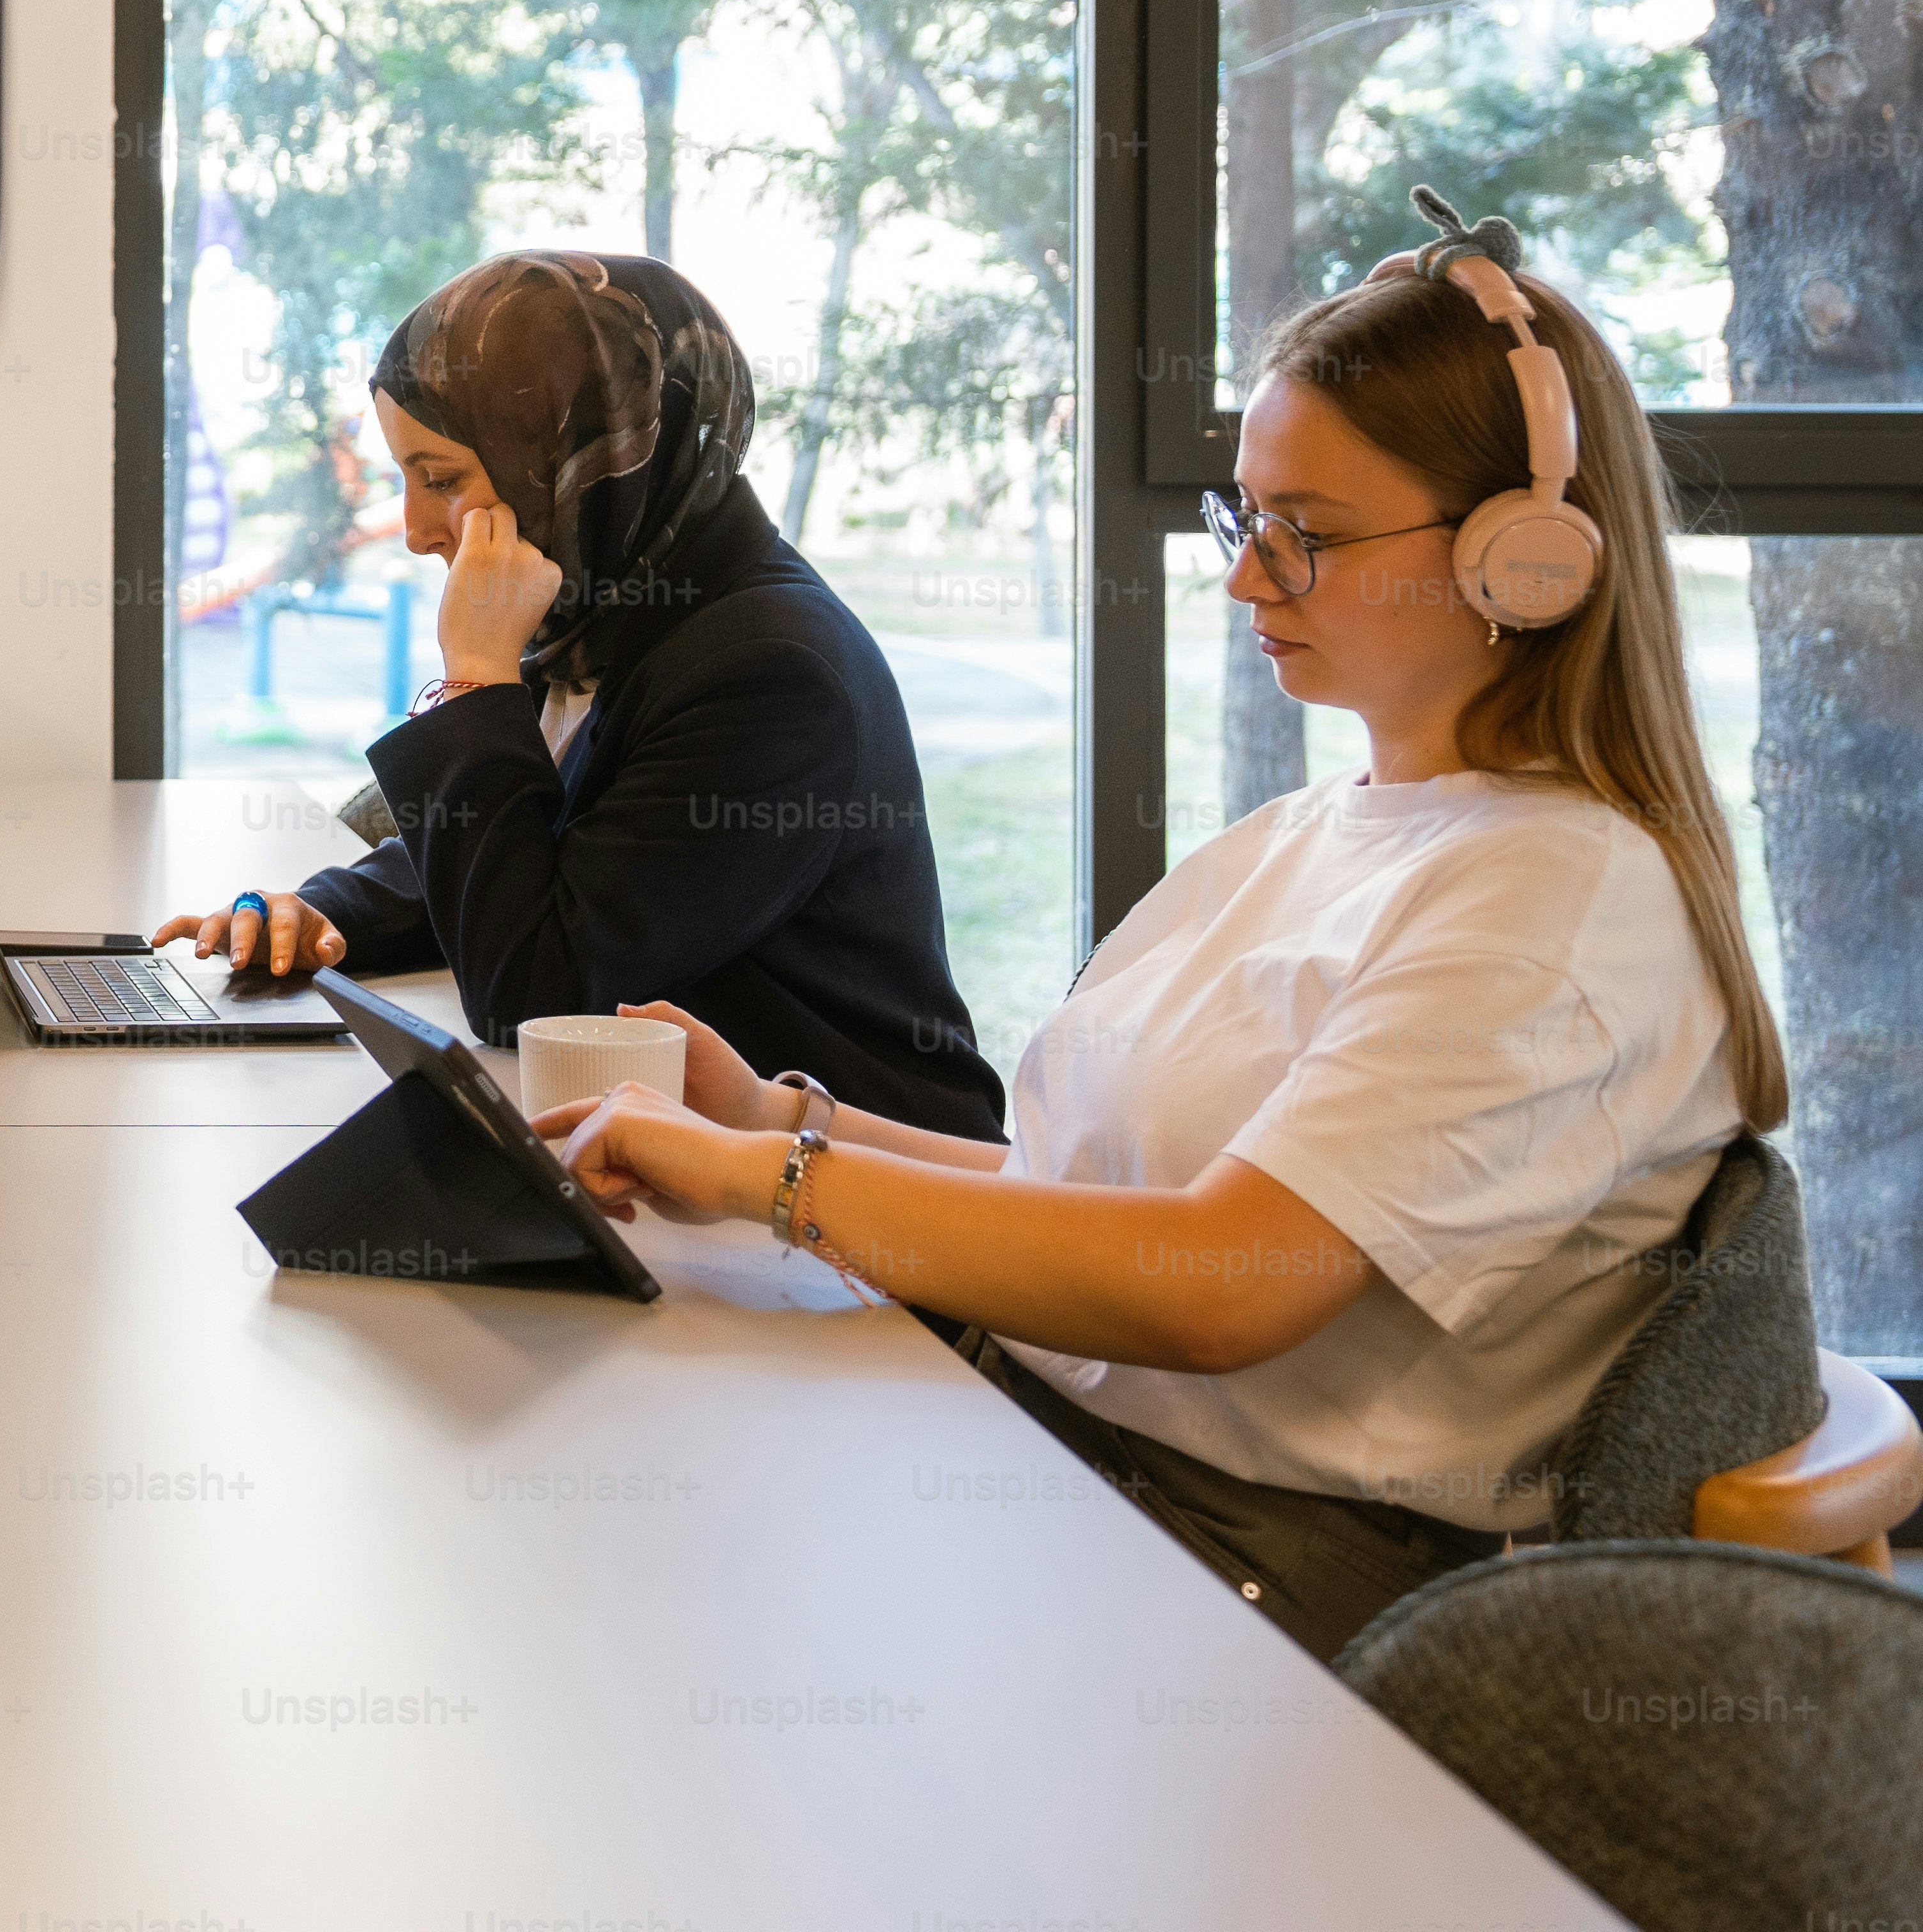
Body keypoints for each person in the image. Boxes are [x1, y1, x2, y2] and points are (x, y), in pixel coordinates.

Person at [530, 196, 1785, 1658]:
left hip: (1245, 1574)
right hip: (1081, 1459)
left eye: (1305, 535)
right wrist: (792, 1113)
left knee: (639, 1579)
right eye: (1246, 519)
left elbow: (1213, 1283)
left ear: (1525, 557)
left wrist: (770, 1177)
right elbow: (1083, 1189)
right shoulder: (1327, 830)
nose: (1247, 575)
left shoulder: (1558, 903)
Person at [167, 250, 1008, 1140]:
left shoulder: (770, 673)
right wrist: (324, 909)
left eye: (443, 480)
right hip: (693, 1168)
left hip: (859, 1214)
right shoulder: (616, 607)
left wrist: (475, 679)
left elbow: (539, 991)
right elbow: (529, 843)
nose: (414, 531)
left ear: (569, 462)